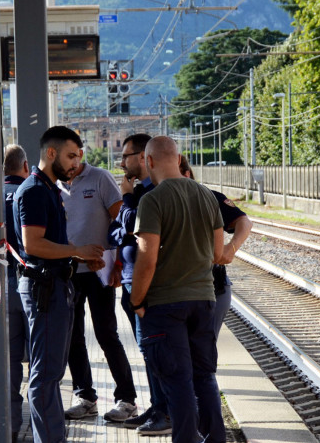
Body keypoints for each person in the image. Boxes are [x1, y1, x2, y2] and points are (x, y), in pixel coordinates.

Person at [130, 136, 226, 443]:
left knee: (178, 383)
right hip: (203, 300)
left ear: (149, 162)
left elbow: (147, 260)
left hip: (165, 306)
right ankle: (214, 439)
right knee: (204, 377)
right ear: (180, 158)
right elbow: (217, 253)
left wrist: (136, 301)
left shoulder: (152, 200)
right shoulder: (207, 195)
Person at [13, 126, 105, 443]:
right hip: (45, 290)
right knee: (45, 375)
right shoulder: (35, 191)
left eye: (78, 157)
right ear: (50, 153)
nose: (74, 164)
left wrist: (77, 259)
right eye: (69, 156)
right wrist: (77, 251)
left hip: (55, 286)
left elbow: (51, 245)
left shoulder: (51, 189)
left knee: (51, 373)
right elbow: (34, 244)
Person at [58, 156, 138, 422]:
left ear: (79, 153)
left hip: (99, 271)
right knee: (72, 336)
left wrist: (117, 263)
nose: (70, 161)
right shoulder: (53, 183)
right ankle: (85, 396)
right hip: (69, 271)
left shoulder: (100, 178)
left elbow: (121, 222)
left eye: (73, 155)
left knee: (106, 334)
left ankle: (126, 399)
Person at [108, 133, 172, 435]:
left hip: (148, 288)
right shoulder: (138, 192)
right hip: (131, 282)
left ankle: (166, 413)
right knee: (148, 353)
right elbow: (117, 232)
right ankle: (157, 406)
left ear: (143, 157)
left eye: (126, 156)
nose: (122, 163)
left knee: (157, 353)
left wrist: (128, 200)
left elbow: (133, 226)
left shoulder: (152, 193)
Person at [179, 158, 252, 338]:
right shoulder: (154, 199)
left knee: (202, 352)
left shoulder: (210, 197)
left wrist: (231, 248)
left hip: (212, 287)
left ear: (186, 174)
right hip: (174, 291)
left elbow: (244, 222)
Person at [3, 144, 30, 442]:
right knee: (39, 358)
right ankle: (40, 423)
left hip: (2, 286)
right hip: (31, 284)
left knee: (9, 359)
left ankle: (10, 424)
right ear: (25, 166)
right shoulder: (32, 191)